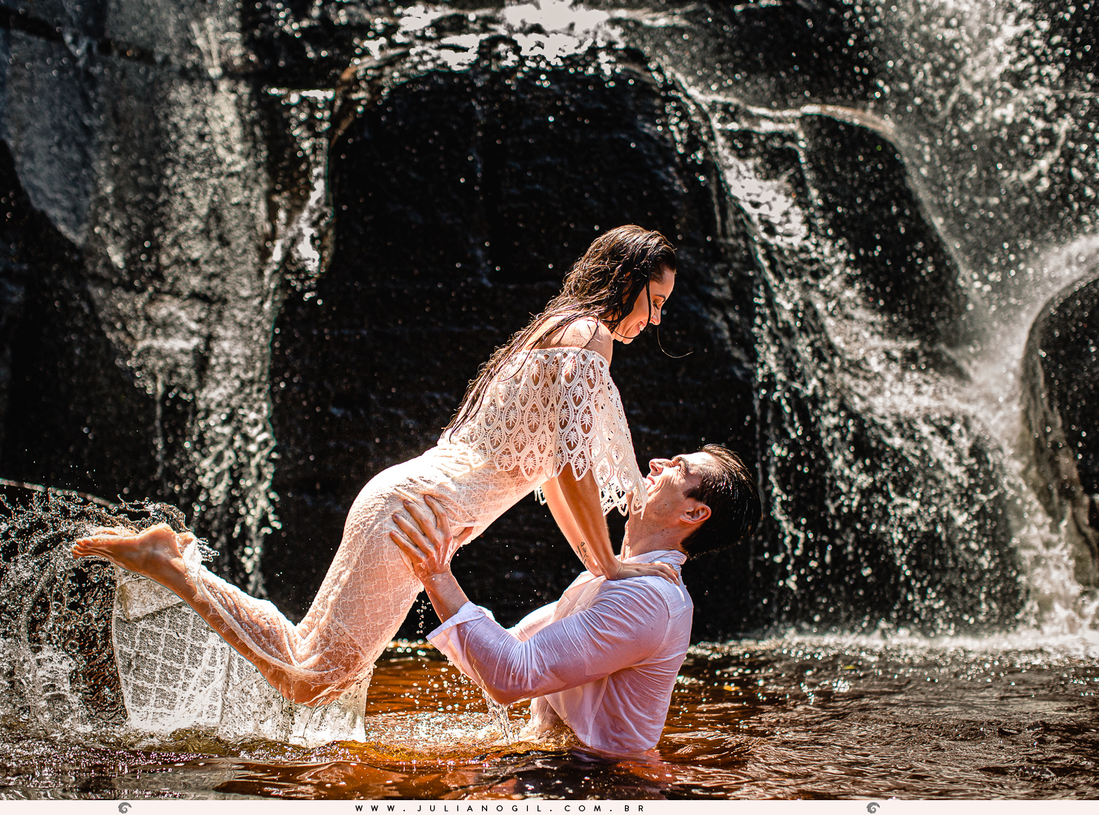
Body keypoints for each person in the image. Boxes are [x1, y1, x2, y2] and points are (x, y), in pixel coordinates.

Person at [72, 225, 679, 721]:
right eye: (655, 302)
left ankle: (175, 564)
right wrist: (610, 567)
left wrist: (595, 559)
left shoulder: (554, 331)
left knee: (312, 661)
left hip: (405, 501)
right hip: (413, 514)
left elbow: (551, 478)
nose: (654, 321)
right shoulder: (589, 337)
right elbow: (573, 466)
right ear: (626, 282)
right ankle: (177, 567)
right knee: (312, 678)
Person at [389, 445, 761, 756]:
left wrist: (436, 574)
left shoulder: (648, 599)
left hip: (603, 784)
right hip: (568, 768)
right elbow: (504, 654)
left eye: (678, 468)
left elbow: (510, 675)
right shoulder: (617, 579)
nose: (656, 463)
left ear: (693, 513)